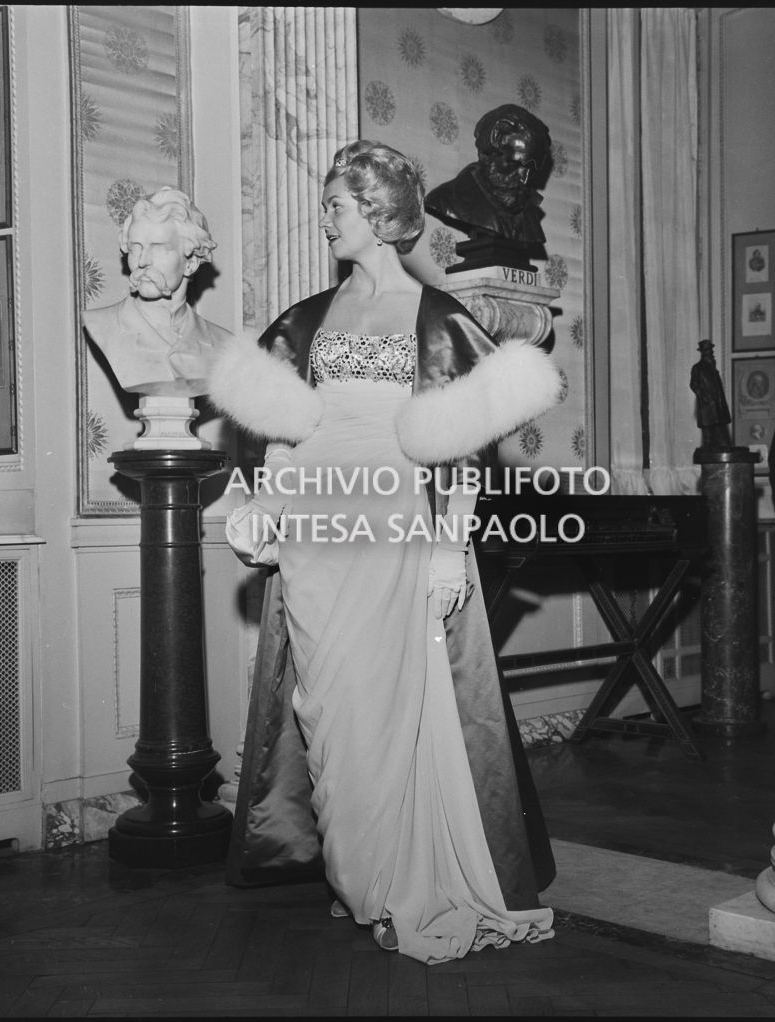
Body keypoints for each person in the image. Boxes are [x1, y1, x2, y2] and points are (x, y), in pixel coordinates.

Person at [209, 140, 560, 965]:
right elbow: (287, 435)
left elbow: (465, 452)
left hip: (397, 532)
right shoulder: (305, 318)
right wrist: (264, 504)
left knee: (391, 709)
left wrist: (447, 551)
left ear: (377, 214)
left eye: (337, 204)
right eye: (330, 203)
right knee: (326, 711)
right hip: (316, 542)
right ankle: (358, 874)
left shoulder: (439, 320)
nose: (326, 216)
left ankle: (399, 882)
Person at [83, 186, 231, 396]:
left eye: (159, 247)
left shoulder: (224, 344)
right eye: (135, 247)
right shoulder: (101, 325)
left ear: (191, 262)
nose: (142, 261)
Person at [425, 103, 552, 247]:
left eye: (532, 170)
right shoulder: (445, 200)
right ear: (495, 140)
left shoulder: (528, 211)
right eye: (515, 164)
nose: (525, 179)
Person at [689, 339, 732, 451]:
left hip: (717, 404)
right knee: (708, 434)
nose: (710, 353)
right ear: (703, 352)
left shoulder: (713, 367)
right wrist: (704, 396)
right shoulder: (697, 368)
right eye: (708, 351)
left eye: (711, 350)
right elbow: (694, 384)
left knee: (721, 433)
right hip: (707, 406)